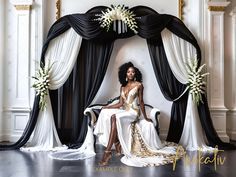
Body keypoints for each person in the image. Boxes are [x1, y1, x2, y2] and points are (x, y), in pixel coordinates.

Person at [94, 62, 183, 167]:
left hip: (133, 112)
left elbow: (141, 102)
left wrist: (145, 117)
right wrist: (107, 106)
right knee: (109, 115)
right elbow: (121, 103)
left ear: (135, 74)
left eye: (133, 72)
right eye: (128, 72)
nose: (131, 73)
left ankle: (107, 152)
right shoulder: (122, 86)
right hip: (125, 111)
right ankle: (116, 143)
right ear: (125, 74)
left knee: (114, 117)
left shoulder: (139, 85)